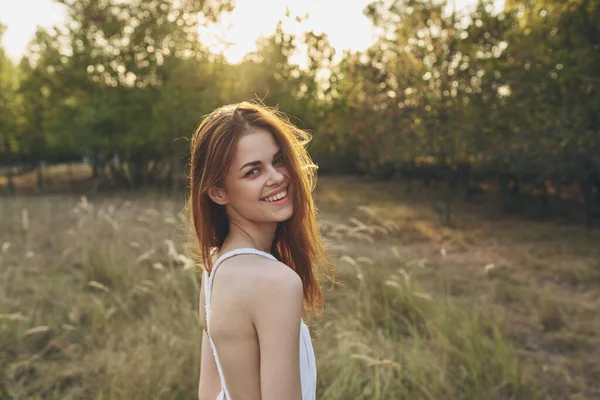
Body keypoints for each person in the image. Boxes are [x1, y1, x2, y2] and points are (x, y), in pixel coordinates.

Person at [189, 102, 334, 400]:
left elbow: (209, 393)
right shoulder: (275, 283)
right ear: (218, 192)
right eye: (253, 171)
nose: (277, 177)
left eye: (278, 160)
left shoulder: (214, 266)